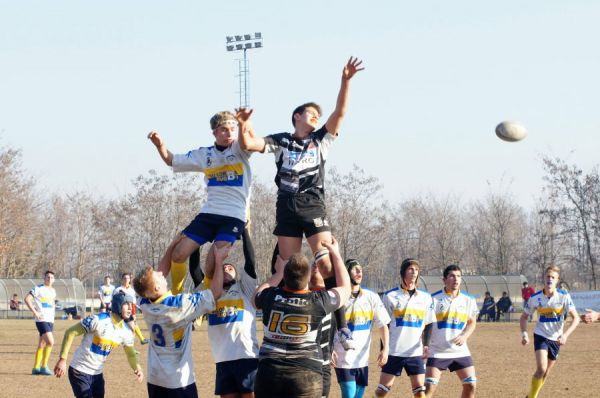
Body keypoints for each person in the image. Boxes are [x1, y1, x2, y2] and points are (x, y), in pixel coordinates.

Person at [236, 57, 364, 348]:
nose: (316, 117)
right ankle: (280, 327)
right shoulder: (281, 141)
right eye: (311, 114)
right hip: (286, 208)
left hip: (312, 205)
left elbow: (340, 113)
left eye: (319, 115)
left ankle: (341, 329)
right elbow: (250, 144)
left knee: (328, 264)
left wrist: (345, 81)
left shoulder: (321, 140)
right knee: (288, 268)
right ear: (296, 116)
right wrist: (244, 125)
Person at [148, 110, 252, 295]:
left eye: (232, 129)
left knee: (212, 265)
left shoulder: (240, 149)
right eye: (223, 130)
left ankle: (205, 297)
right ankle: (177, 292)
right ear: (214, 133)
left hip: (233, 217)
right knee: (178, 253)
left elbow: (247, 142)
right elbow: (171, 160)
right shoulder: (204, 155)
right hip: (209, 214)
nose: (229, 133)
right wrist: (160, 145)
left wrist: (243, 124)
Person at [253, 237, 351, 398]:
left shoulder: (270, 296)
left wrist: (278, 273)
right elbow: (345, 289)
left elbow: (255, 296)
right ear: (308, 278)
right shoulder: (317, 300)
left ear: (285, 276)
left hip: (269, 373)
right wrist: (336, 254)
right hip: (305, 375)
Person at [133, 244, 227, 398]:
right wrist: (218, 260)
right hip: (178, 381)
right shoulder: (180, 306)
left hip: (155, 377)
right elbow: (215, 292)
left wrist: (172, 245)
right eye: (158, 276)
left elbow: (158, 274)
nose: (162, 274)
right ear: (156, 287)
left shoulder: (145, 303)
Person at [203, 226, 259, 398]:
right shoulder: (210, 294)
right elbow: (196, 272)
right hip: (223, 361)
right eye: (224, 268)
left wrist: (245, 231)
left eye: (230, 269)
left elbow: (250, 262)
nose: (226, 270)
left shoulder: (245, 289)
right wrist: (199, 240)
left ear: (236, 275)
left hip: (247, 357)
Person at [53, 293, 144, 397]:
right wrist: (62, 359)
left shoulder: (126, 331)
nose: (130, 308)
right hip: (79, 371)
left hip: (97, 375)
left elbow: (131, 354)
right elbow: (70, 332)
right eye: (126, 304)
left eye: (131, 305)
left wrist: (137, 368)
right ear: (118, 305)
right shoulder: (97, 320)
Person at [375, 259, 433, 398]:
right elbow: (385, 326)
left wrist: (426, 345)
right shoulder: (390, 296)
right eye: (410, 269)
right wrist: (384, 349)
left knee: (420, 391)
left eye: (416, 270)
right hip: (394, 351)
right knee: (382, 391)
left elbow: (429, 323)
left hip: (415, 352)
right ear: (403, 272)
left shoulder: (426, 297)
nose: (414, 272)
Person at [520, 265, 580, 398]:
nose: (550, 279)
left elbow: (576, 318)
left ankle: (530, 395)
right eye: (548, 276)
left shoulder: (564, 297)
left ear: (557, 280)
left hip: (556, 340)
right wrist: (524, 334)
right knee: (541, 369)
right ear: (544, 278)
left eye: (553, 277)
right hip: (541, 336)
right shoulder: (535, 297)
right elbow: (524, 317)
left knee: (546, 372)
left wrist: (565, 335)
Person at [334, 258, 390, 398]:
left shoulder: (372, 297)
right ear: (346, 273)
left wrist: (385, 349)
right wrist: (328, 349)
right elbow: (327, 327)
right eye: (354, 268)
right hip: (342, 357)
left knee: (358, 395)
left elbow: (383, 324)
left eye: (360, 269)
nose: (359, 271)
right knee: (349, 394)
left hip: (362, 358)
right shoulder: (337, 297)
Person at [425, 265, 478, 398]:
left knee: (471, 385)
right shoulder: (433, 299)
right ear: (444, 280)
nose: (456, 279)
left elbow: (472, 322)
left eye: (459, 276)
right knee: (428, 389)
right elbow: (425, 325)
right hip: (437, 351)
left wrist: (464, 336)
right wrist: (424, 345)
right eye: (452, 276)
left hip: (460, 351)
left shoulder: (469, 299)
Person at [25, 270, 57, 376]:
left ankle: (36, 368)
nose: (49, 279)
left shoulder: (53, 291)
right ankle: (44, 366)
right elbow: (27, 299)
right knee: (51, 342)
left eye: (51, 277)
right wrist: (35, 312)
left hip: (50, 320)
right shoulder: (38, 288)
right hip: (41, 320)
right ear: (44, 278)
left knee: (42, 344)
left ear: (54, 279)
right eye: (47, 277)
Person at [113, 273, 148, 344]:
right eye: (124, 278)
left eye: (127, 278)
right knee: (119, 328)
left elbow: (133, 303)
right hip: (119, 312)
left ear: (129, 280)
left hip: (128, 312)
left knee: (132, 327)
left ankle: (140, 340)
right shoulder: (118, 290)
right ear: (122, 279)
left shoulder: (132, 291)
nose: (126, 280)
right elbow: (114, 301)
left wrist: (134, 314)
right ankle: (137, 340)